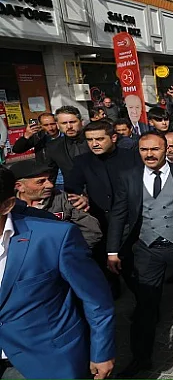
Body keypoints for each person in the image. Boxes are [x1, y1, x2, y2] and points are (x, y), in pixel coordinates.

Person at [106, 132, 173, 376]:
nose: (149, 154)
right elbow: (119, 214)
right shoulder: (128, 177)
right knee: (145, 303)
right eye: (144, 149)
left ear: (166, 150)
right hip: (147, 247)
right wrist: (113, 251)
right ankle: (141, 357)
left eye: (155, 149)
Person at [0, 166, 115, 379]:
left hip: (47, 360)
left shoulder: (54, 236)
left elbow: (95, 299)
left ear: (6, 205)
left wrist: (102, 351)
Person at [65, 120, 142, 297]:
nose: (94, 144)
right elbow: (71, 188)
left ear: (113, 137)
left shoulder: (131, 157)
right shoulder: (82, 161)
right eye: (90, 140)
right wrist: (81, 196)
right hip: (101, 222)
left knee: (133, 268)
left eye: (99, 139)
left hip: (131, 222)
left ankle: (145, 304)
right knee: (106, 267)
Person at [11, 160, 102, 247]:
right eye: (41, 182)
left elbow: (92, 231)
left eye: (49, 179)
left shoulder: (65, 200)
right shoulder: (8, 207)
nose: (50, 185)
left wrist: (69, 250)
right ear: (19, 186)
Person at [46, 106, 90, 190]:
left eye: (73, 122)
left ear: (81, 122)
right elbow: (51, 173)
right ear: (58, 125)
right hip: (73, 194)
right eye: (64, 123)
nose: (69, 126)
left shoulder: (94, 141)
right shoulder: (53, 146)